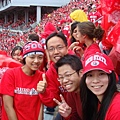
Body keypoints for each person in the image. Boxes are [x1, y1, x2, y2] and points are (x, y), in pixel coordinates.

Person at [0, 41, 45, 120]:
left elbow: (40, 106)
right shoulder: (10, 74)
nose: (36, 61)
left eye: (40, 57)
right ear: (25, 57)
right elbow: (8, 106)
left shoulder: (42, 76)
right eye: (32, 57)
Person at [37, 31, 68, 119]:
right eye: (51, 49)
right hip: (67, 111)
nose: (56, 52)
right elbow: (52, 102)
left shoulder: (78, 65)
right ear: (47, 52)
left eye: (60, 47)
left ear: (67, 47)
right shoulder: (51, 73)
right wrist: (44, 92)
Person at [80, 52, 120, 120]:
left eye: (101, 74)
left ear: (111, 77)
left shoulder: (117, 107)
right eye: (90, 75)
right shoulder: (95, 101)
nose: (95, 81)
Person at [53, 54, 83, 120]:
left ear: (81, 73)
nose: (64, 81)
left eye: (68, 75)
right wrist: (68, 115)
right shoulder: (71, 92)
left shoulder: (93, 90)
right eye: (61, 77)